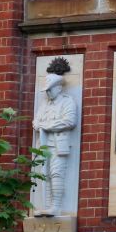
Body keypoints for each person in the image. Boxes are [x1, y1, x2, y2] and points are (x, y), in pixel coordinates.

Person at [33, 72, 77, 216]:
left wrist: (47, 126)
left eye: (50, 89)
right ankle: (45, 206)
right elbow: (36, 121)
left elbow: (69, 121)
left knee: (56, 174)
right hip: (44, 145)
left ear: (58, 88)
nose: (47, 92)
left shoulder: (67, 101)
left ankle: (55, 207)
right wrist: (39, 125)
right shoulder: (44, 104)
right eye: (46, 90)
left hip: (59, 144)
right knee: (44, 175)